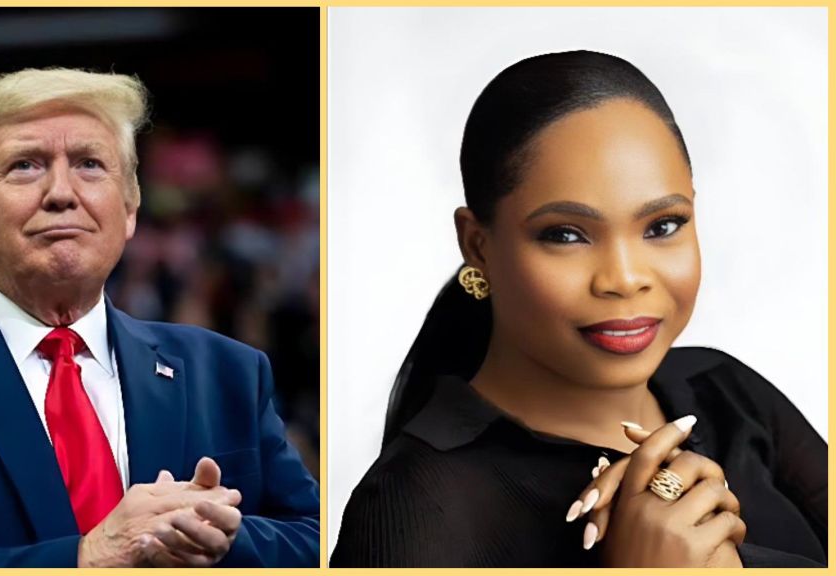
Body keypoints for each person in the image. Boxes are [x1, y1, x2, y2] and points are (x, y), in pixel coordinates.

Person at [330, 50, 825, 568]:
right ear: (477, 245)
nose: (625, 278)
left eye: (662, 225)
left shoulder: (724, 389)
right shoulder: (417, 506)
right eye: (565, 234)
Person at [0, 68, 320, 568]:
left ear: (129, 210)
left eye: (89, 164)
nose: (61, 192)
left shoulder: (229, 371)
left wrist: (213, 534)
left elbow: (321, 541)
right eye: (25, 166)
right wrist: (86, 557)